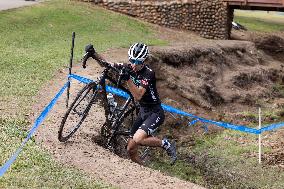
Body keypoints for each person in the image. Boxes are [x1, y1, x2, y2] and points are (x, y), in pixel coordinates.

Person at [89, 43, 177, 165]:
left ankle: (165, 144)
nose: (134, 64)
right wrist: (94, 54)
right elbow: (108, 65)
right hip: (143, 111)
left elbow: (138, 95)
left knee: (138, 138)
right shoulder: (128, 67)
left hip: (155, 112)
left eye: (138, 62)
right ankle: (143, 169)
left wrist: (128, 79)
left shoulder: (148, 74)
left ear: (144, 61)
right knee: (130, 149)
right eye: (132, 60)